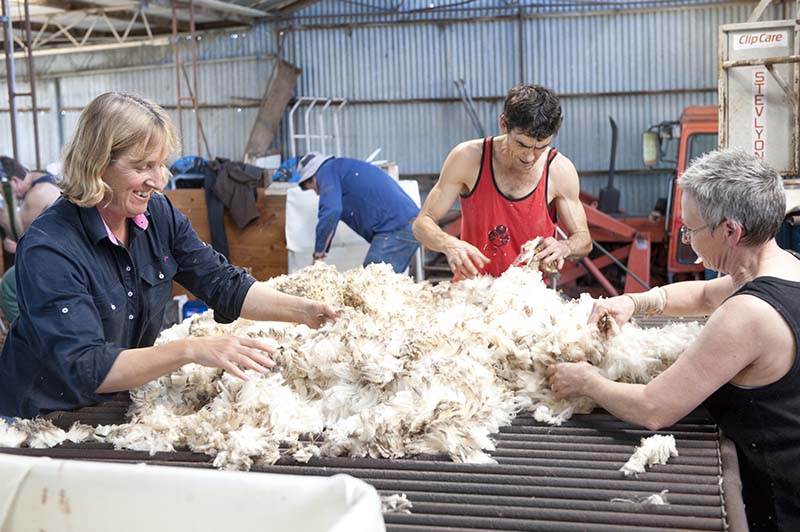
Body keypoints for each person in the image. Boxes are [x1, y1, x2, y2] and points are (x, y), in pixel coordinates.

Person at [0, 91, 337, 419]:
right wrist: (190, 349)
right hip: (41, 417)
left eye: (160, 165)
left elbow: (222, 283)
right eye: (143, 166)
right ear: (98, 165)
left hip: (110, 402)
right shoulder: (51, 248)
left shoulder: (157, 215)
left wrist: (304, 310)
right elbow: (86, 367)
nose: (158, 180)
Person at [547, 149, 800, 532]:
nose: (687, 239)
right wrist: (633, 301)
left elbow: (654, 408)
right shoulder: (788, 266)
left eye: (691, 230)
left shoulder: (748, 315)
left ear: (730, 231)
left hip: (777, 502)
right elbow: (702, 296)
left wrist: (586, 382)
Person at [413, 84, 591, 280]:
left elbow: (584, 240)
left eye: (540, 147)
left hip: (528, 300)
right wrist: (449, 244)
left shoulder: (559, 170)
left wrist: (564, 246)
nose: (530, 157)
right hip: (472, 292)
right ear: (503, 124)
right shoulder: (468, 158)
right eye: (522, 144)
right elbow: (422, 223)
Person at [297, 153, 420, 274]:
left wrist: (319, 255)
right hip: (402, 225)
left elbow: (331, 211)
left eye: (313, 188)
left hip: (396, 228)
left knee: (370, 284)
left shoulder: (326, 171)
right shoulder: (341, 168)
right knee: (379, 286)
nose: (317, 194)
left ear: (312, 177)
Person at [0, 168, 62, 322]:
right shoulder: (49, 181)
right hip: (63, 250)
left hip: (57, 258)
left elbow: (21, 235)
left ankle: (29, 335)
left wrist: (9, 197)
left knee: (8, 285)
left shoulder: (38, 193)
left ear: (14, 181)